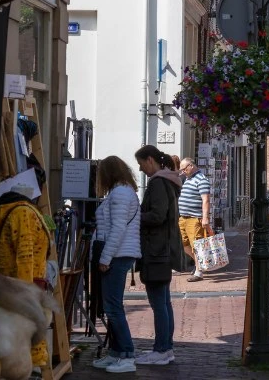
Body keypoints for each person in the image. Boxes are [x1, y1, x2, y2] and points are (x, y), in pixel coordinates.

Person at [0, 181, 54, 378]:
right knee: (24, 334)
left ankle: (26, 370)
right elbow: (25, 254)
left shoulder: (15, 211)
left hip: (14, 284)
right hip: (22, 284)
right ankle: (26, 371)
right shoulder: (23, 213)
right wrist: (25, 292)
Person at [90, 155, 142, 373]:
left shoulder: (120, 193)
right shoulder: (122, 192)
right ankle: (116, 353)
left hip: (117, 255)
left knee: (113, 307)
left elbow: (118, 228)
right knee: (112, 306)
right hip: (117, 253)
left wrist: (105, 258)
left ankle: (127, 355)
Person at [134, 146, 182, 366]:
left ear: (150, 160)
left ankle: (162, 348)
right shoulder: (169, 181)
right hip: (163, 249)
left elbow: (158, 215)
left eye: (141, 164)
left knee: (158, 302)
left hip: (156, 250)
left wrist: (136, 215)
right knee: (164, 301)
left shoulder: (158, 182)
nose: (141, 169)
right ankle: (166, 348)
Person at [176, 158, 210, 283]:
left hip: (194, 218)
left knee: (196, 245)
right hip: (183, 217)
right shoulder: (188, 179)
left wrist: (205, 217)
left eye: (184, 169)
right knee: (185, 245)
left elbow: (206, 199)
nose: (183, 172)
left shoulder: (201, 180)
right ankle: (200, 264)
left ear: (191, 166)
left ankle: (199, 272)